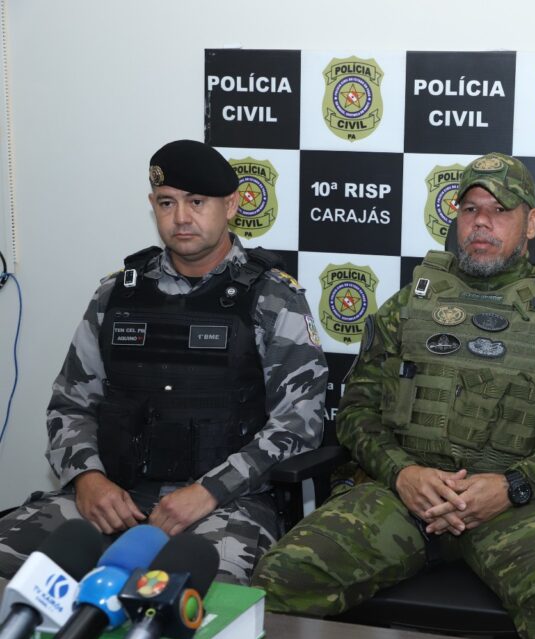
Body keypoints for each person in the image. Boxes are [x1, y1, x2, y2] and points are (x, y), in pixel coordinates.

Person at [252, 152, 535, 639]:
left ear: (531, 223)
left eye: (500, 211)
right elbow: (358, 409)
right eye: (470, 209)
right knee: (278, 579)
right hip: (404, 496)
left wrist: (514, 485)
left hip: (517, 506)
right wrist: (402, 473)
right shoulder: (412, 302)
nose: (482, 222)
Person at [0, 140, 328, 584]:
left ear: (230, 205)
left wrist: (209, 491)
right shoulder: (116, 295)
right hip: (114, 497)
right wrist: (87, 479)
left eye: (197, 202)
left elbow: (298, 426)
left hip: (224, 506)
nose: (181, 218)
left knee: (198, 604)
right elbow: (70, 405)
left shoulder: (273, 298)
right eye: (166, 203)